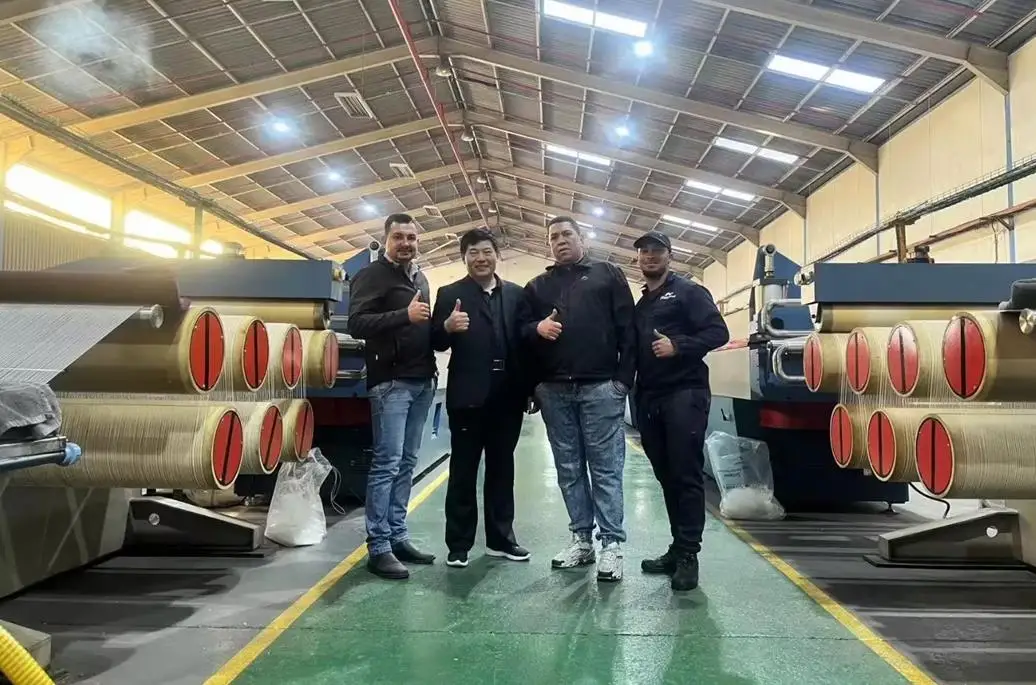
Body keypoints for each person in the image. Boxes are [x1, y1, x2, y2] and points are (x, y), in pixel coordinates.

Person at [523, 216, 636, 583]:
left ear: (582, 238)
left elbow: (628, 329)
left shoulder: (608, 274)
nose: (560, 241)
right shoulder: (537, 286)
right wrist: (536, 331)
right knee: (569, 469)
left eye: (567, 234)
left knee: (605, 468)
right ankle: (581, 541)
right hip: (554, 390)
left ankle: (612, 545)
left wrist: (623, 381)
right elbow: (521, 335)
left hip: (601, 387)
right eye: (554, 237)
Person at [631, 230, 729, 592]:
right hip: (649, 396)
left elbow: (718, 332)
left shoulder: (688, 291)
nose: (649, 256)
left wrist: (679, 345)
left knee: (685, 474)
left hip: (684, 393)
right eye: (644, 252)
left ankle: (689, 555)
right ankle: (677, 547)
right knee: (666, 475)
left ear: (669, 255)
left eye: (656, 251)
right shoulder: (643, 303)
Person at [430, 228, 533, 568]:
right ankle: (458, 544)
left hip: (508, 395)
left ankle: (501, 539)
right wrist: (447, 327)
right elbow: (435, 341)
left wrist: (530, 389)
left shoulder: (516, 294)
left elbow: (525, 343)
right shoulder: (450, 293)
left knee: (502, 469)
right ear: (464, 258)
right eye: (473, 252)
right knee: (463, 470)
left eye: (486, 251)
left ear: (496, 255)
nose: (481, 258)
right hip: (467, 396)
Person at [347, 213, 438, 580]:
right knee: (387, 463)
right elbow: (357, 324)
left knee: (407, 462)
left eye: (411, 238)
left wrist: (442, 329)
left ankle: (398, 536)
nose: (406, 243)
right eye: (399, 237)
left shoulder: (419, 277)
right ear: (386, 239)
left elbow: (423, 325)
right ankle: (378, 546)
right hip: (391, 383)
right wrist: (404, 314)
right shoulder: (371, 275)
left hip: (422, 380)